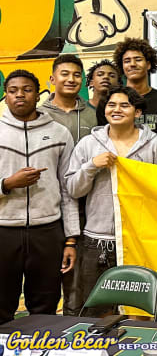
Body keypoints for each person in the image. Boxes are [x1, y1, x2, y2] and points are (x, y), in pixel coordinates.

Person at [65, 86, 157, 316]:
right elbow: (73, 189)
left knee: (139, 311)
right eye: (112, 105)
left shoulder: (155, 145)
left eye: (124, 105)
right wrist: (92, 165)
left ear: (138, 112)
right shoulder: (88, 144)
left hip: (141, 239)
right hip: (98, 240)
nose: (117, 110)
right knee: (96, 311)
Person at [0, 70, 79, 324]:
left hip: (47, 232)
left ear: (39, 94)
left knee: (44, 307)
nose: (20, 95)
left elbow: (68, 189)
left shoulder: (59, 133)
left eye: (27, 89)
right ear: (6, 95)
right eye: (13, 91)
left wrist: (70, 240)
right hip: (4, 231)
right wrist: (8, 183)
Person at [39, 54, 96, 316]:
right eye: (64, 74)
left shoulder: (95, 115)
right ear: (52, 79)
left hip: (87, 205)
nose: (71, 79)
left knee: (78, 278)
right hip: (48, 205)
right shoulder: (38, 115)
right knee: (48, 277)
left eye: (76, 75)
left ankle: (74, 327)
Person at [113, 38, 157, 166]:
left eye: (138, 59)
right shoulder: (110, 103)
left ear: (149, 65)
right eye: (127, 61)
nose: (132, 64)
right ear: (122, 67)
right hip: (121, 173)